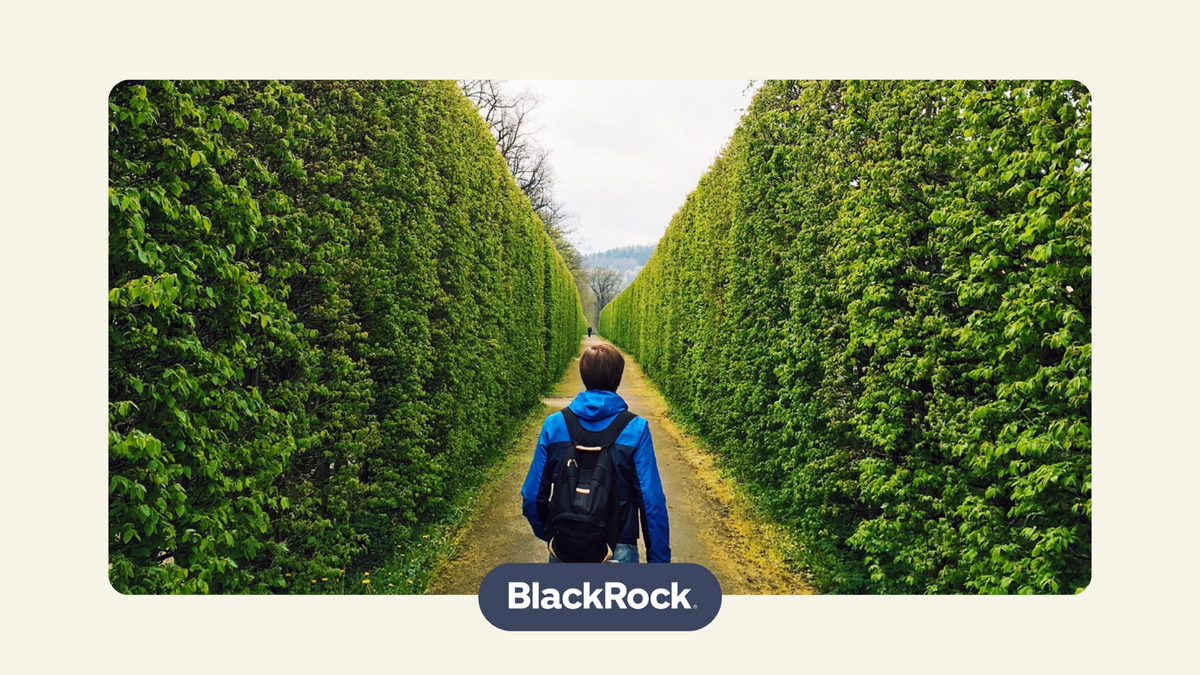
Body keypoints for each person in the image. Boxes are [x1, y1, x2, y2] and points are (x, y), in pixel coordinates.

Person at [520, 343, 671, 563]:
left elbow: (532, 495)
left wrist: (552, 532)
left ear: (584, 376)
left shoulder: (554, 425)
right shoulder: (636, 429)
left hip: (565, 547)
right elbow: (651, 502)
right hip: (617, 548)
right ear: (617, 379)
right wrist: (659, 563)